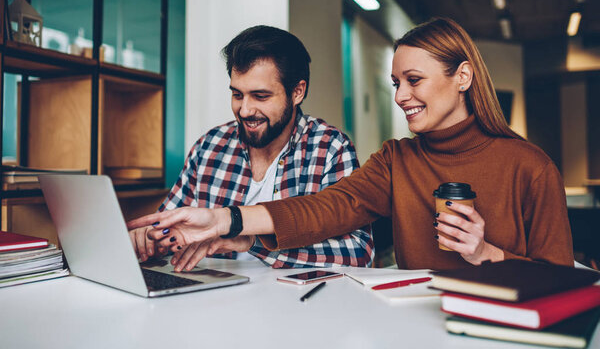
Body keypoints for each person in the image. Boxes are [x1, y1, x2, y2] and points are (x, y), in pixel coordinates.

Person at [128, 18, 574, 271]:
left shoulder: (530, 167)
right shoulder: (396, 160)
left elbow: (561, 282)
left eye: (413, 81)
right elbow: (324, 208)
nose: (400, 97)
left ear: (462, 77)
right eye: (396, 82)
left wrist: (486, 253)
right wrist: (226, 220)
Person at [129, 25, 374, 271]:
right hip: (213, 299)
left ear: (297, 92)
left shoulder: (330, 149)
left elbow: (357, 253)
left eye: (260, 96)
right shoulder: (209, 146)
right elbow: (168, 230)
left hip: (296, 303)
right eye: (237, 95)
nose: (245, 110)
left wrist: (254, 243)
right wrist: (151, 239)